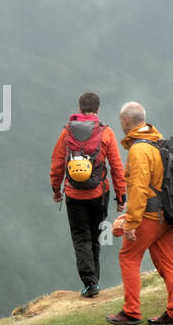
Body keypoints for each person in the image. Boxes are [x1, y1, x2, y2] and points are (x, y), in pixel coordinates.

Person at [106, 101, 173, 325]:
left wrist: (130, 222)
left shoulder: (139, 149)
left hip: (149, 216)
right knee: (169, 264)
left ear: (125, 121)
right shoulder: (157, 141)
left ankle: (131, 312)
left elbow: (139, 188)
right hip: (166, 215)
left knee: (128, 258)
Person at [50, 92, 126, 298]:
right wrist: (121, 197)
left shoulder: (67, 133)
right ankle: (95, 281)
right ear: (98, 109)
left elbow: (57, 164)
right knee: (96, 236)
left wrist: (56, 190)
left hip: (74, 195)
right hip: (99, 194)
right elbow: (117, 167)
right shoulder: (106, 133)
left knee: (81, 237)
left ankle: (90, 283)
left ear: (79, 108)